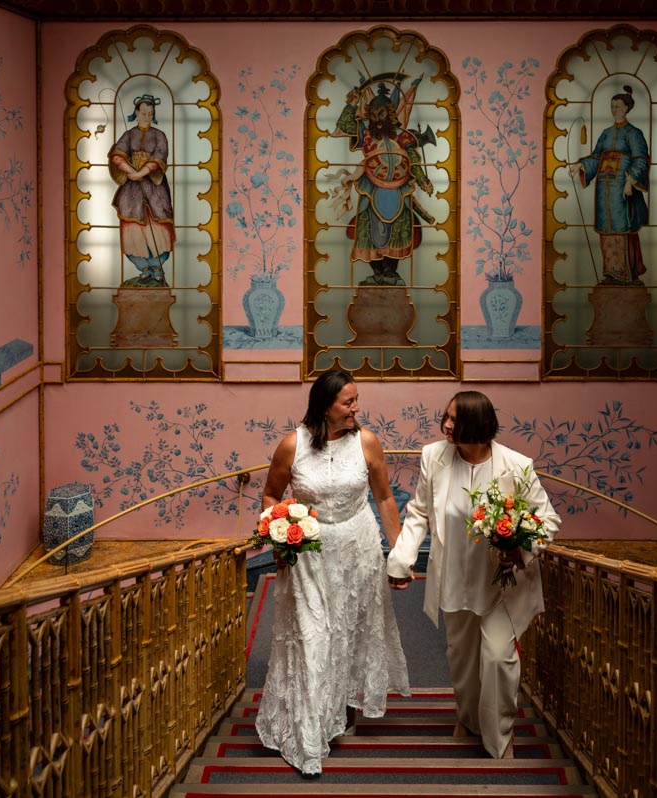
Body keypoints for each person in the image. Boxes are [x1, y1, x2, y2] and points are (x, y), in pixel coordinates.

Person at [386, 391, 560, 760]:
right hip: (454, 579)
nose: (447, 425)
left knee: (498, 658)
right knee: (462, 661)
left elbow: (547, 520)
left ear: (478, 427)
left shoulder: (516, 465)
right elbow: (419, 512)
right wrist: (402, 559)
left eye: (456, 420)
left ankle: (499, 736)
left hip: (502, 583)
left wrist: (520, 548)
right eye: (445, 417)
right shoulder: (433, 457)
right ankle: (467, 719)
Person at [255, 370, 410, 775]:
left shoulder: (367, 442)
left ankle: (341, 711)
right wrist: (281, 531)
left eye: (357, 400)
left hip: (358, 549)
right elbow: (271, 494)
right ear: (325, 405)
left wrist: (399, 553)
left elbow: (385, 498)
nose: (356, 408)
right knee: (313, 635)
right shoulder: (293, 444)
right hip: (308, 553)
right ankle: (308, 734)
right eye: (348, 402)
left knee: (351, 632)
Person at [334, 76, 434, 286]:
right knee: (370, 233)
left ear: (390, 115)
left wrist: (424, 181)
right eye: (372, 115)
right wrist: (351, 104)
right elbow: (345, 125)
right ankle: (377, 271)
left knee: (396, 234)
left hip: (399, 194)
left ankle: (390, 272)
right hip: (371, 192)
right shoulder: (366, 135)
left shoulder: (403, 137)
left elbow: (413, 161)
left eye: (381, 115)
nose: (377, 120)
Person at [569, 85, 649, 285]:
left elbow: (641, 159)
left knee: (623, 228)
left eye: (618, 106)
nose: (615, 110)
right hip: (604, 190)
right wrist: (581, 164)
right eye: (612, 106)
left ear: (627, 108)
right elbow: (596, 157)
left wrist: (631, 181)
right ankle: (611, 272)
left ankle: (626, 273)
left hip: (622, 189)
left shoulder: (634, 133)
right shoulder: (605, 133)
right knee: (606, 230)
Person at [108, 94, 175, 287]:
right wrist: (131, 171)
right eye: (143, 113)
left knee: (159, 228)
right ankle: (144, 269)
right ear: (136, 112)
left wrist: (143, 172)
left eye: (150, 114)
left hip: (155, 188)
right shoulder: (128, 135)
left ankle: (157, 268)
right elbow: (117, 155)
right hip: (131, 190)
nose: (146, 116)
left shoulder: (159, 135)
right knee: (132, 230)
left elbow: (160, 156)